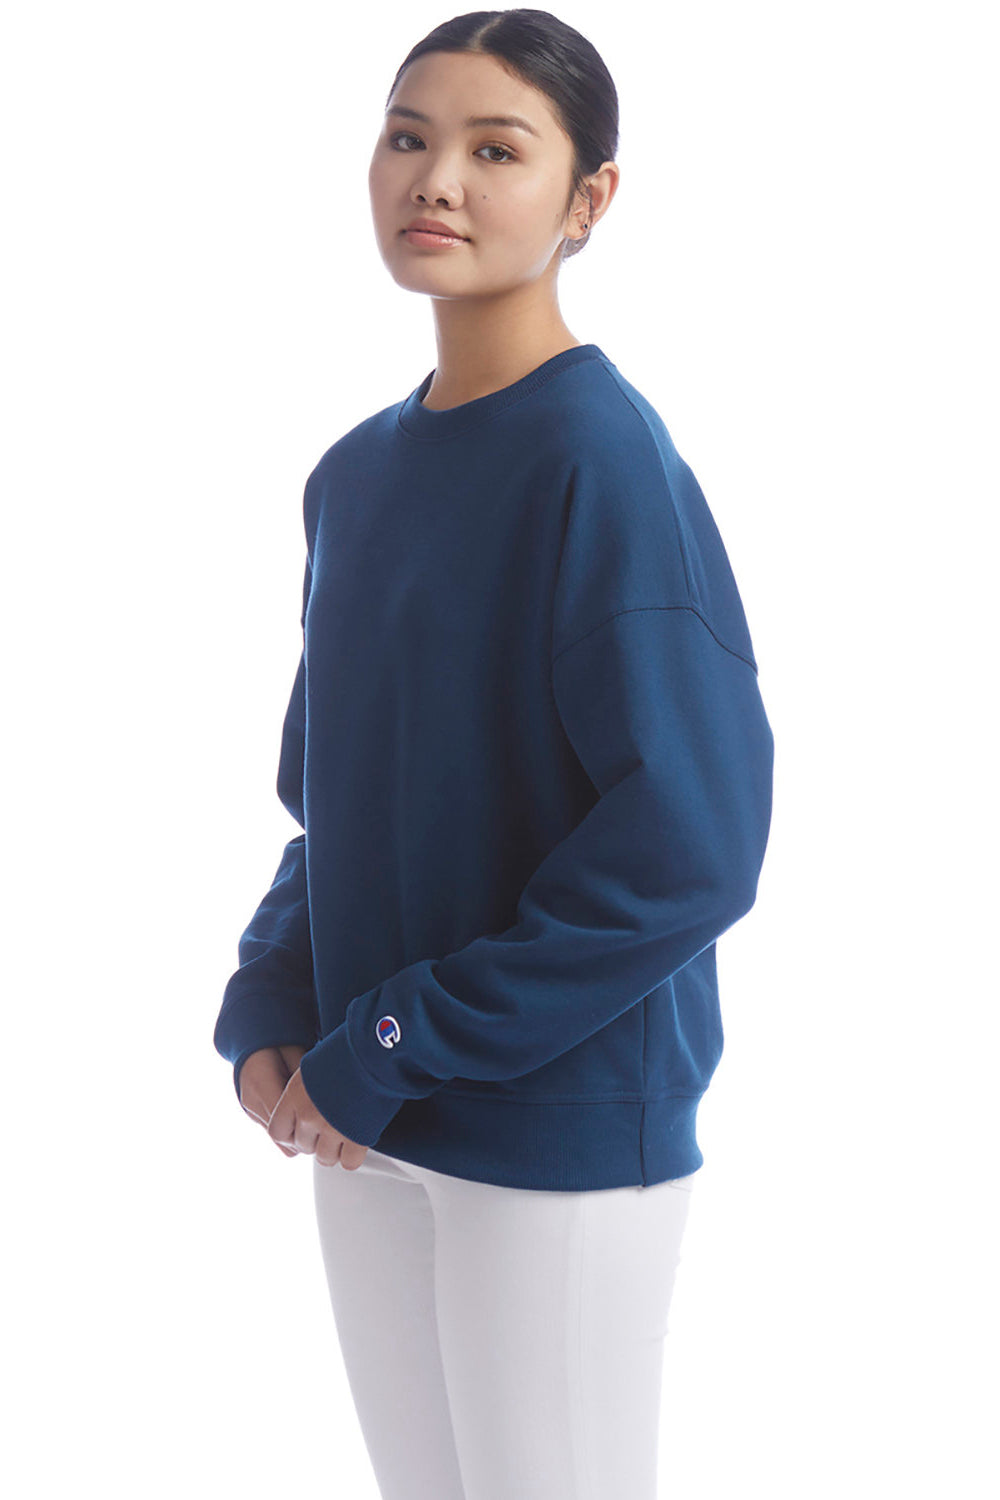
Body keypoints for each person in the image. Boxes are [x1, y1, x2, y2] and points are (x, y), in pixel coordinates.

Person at [213, 10, 775, 1499]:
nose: (437, 180)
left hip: (552, 1123)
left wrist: (398, 1037)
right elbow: (333, 801)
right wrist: (276, 1000)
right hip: (364, 1111)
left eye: (496, 149)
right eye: (409, 137)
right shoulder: (354, 476)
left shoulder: (604, 462)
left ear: (590, 198)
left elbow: (692, 846)